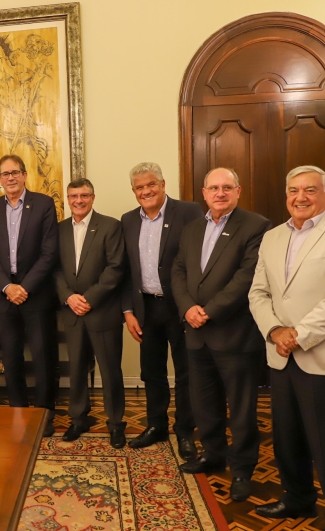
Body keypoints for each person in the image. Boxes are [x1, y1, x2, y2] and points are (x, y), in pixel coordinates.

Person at [249, 166, 325, 529]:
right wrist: (274, 331)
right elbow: (259, 292)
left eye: (310, 190)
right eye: (293, 190)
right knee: (287, 439)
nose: (300, 197)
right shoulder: (271, 237)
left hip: (324, 357)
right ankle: (298, 500)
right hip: (281, 356)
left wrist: (298, 334)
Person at [170, 167, 271, 502]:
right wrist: (187, 307)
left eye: (227, 187)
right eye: (214, 188)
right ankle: (212, 455)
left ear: (238, 191)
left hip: (235, 334)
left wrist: (209, 311)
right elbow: (179, 270)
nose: (220, 193)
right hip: (196, 333)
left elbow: (247, 278)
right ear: (204, 192)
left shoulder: (256, 226)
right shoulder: (192, 228)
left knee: (241, 409)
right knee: (204, 402)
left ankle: (242, 468)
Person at [120, 162, 201, 460]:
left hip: (180, 307)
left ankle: (185, 431)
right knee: (151, 372)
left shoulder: (189, 212)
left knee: (185, 373)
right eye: (139, 187)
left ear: (163, 184)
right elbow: (126, 270)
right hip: (146, 308)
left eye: (151, 184)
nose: (146, 191)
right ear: (134, 192)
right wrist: (128, 311)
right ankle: (156, 426)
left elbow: (201, 259)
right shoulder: (128, 220)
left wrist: (194, 304)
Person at [0, 154, 59, 437]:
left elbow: (49, 253)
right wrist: (7, 287)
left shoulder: (43, 204)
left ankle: (43, 415)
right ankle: (18, 411)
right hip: (5, 294)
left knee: (42, 357)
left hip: (35, 294)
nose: (10, 178)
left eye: (15, 172)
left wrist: (24, 287)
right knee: (11, 357)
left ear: (25, 175)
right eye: (5, 174)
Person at [55, 178, 127, 447]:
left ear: (93, 197)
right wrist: (68, 297)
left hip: (102, 312)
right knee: (76, 369)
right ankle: (79, 419)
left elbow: (116, 268)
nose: (79, 201)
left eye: (84, 195)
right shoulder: (59, 229)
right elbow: (56, 269)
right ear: (68, 198)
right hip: (72, 312)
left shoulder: (110, 226)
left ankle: (116, 423)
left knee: (110, 371)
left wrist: (88, 298)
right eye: (73, 196)